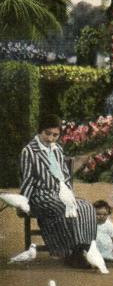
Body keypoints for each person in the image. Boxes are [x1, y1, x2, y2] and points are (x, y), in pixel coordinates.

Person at [19, 114, 97, 268]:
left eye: (55, 135)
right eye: (47, 133)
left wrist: (70, 196)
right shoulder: (29, 151)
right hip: (40, 195)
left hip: (60, 193)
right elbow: (27, 180)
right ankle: (69, 252)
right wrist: (23, 203)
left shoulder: (57, 150)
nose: (50, 138)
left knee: (86, 207)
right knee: (62, 208)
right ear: (40, 131)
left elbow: (65, 176)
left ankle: (83, 250)